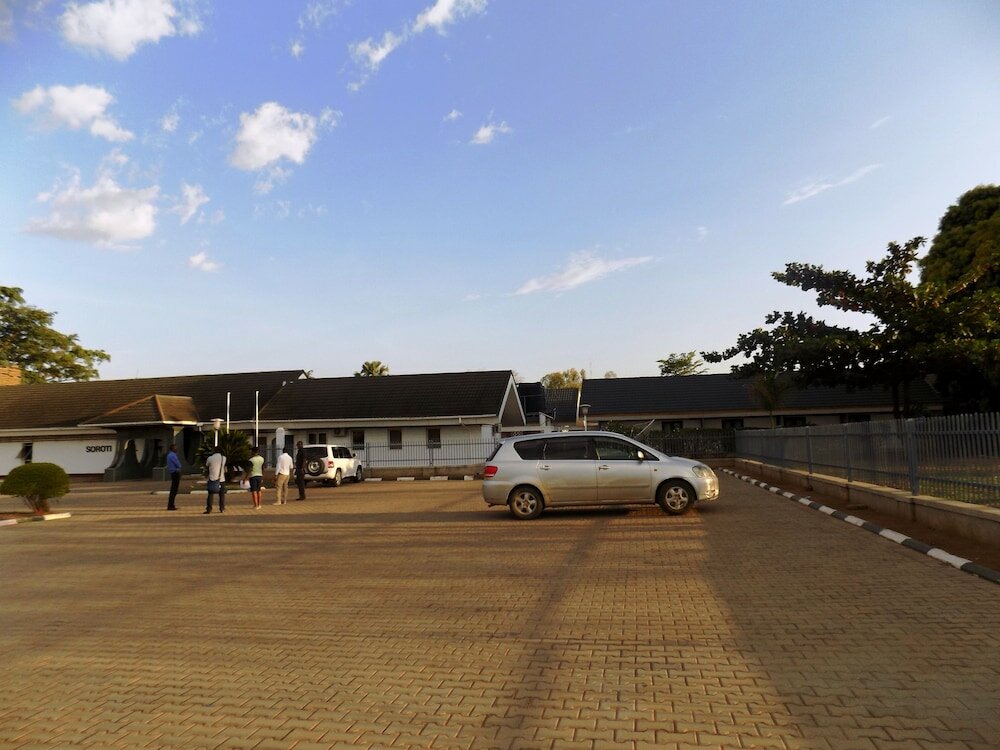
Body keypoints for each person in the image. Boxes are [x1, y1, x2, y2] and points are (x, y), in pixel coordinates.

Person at [204, 445, 227, 514]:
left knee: (210, 494)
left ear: (214, 451)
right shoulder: (224, 458)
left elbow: (207, 465)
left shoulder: (210, 458)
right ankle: (222, 508)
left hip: (212, 478)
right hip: (221, 479)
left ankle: (209, 509)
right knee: (222, 495)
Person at [166, 444, 182, 511]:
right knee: (174, 490)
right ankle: (171, 505)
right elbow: (178, 464)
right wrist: (179, 466)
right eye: (175, 448)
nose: (176, 449)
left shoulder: (170, 455)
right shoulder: (172, 455)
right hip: (175, 472)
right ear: (172, 448)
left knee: (173, 489)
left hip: (173, 473)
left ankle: (171, 505)